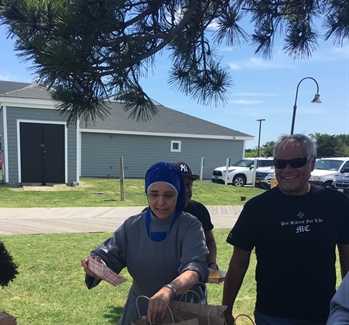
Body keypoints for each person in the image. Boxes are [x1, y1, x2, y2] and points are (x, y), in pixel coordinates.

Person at [222, 134, 349, 325]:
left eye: (296, 162)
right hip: (272, 315)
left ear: (312, 163)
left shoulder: (336, 203)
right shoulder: (257, 208)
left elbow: (347, 257)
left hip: (323, 314)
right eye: (280, 163)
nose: (287, 169)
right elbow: (238, 262)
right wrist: (226, 310)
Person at [81, 161, 209, 325]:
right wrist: (97, 264)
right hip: (139, 309)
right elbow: (109, 255)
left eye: (168, 195)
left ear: (178, 194)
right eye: (154, 194)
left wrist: (168, 290)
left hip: (182, 313)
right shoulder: (132, 226)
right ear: (146, 194)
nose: (160, 202)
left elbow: (195, 269)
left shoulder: (190, 226)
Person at [143, 161, 218, 270]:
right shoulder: (149, 216)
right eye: (182, 186)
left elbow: (209, 240)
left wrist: (211, 263)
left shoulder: (199, 210)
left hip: (193, 279)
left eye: (189, 185)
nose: (186, 190)